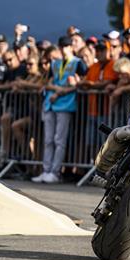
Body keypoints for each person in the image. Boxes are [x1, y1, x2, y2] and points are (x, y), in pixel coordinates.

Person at [32, 36, 87, 184]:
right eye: (61, 46)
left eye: (66, 46)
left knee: (59, 140)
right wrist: (56, 89)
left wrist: (61, 91)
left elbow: (81, 83)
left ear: (71, 48)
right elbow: (48, 82)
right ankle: (46, 170)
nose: (63, 49)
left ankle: (55, 172)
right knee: (48, 139)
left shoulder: (78, 63)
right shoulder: (55, 63)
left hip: (65, 104)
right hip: (50, 103)